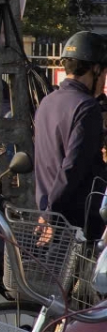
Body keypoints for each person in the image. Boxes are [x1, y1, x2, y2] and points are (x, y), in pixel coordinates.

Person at [34, 31, 107, 235]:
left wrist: (46, 212)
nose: (103, 82)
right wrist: (51, 213)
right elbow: (72, 167)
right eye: (104, 74)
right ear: (95, 69)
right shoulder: (87, 107)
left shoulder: (47, 102)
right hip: (76, 220)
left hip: (47, 211)